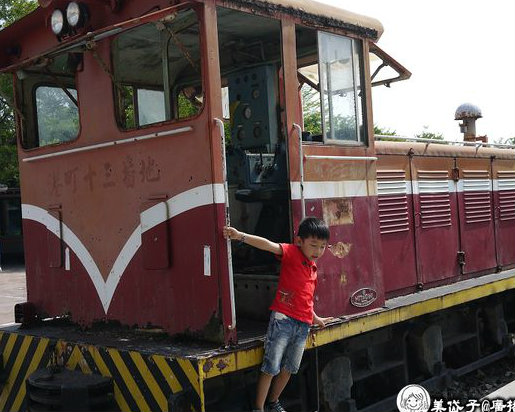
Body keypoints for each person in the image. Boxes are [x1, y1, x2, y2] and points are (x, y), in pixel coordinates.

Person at [223, 217, 334, 412]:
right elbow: (267, 245)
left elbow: (305, 298)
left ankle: (273, 402)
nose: (318, 251)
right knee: (271, 367)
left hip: (303, 325)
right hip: (283, 320)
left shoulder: (313, 268)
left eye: (323, 247)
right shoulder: (291, 252)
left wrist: (316, 318)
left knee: (290, 368)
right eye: (314, 245)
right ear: (299, 241)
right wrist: (240, 236)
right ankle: (259, 408)